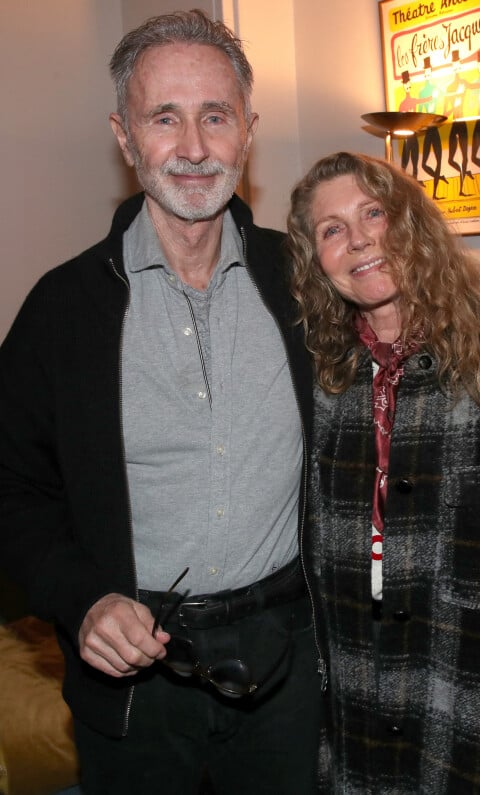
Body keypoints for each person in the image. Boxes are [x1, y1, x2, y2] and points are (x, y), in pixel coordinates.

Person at [0, 10, 322, 794]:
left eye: (215, 116)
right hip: (134, 685)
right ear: (124, 136)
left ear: (247, 131)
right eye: (164, 118)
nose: (192, 147)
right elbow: (11, 491)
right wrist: (80, 598)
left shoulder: (307, 284)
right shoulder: (60, 310)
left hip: (288, 671)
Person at [287, 150, 480, 794]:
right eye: (331, 229)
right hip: (354, 730)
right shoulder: (316, 391)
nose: (358, 238)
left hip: (478, 724)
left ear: (412, 226)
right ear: (316, 260)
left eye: (374, 212)